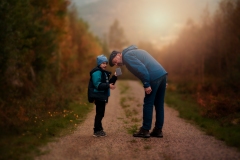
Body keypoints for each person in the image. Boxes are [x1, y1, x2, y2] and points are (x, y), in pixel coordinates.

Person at [109, 45, 167, 138]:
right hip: (161, 74)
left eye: (115, 61)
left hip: (154, 77)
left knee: (148, 103)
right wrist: (162, 80)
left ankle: (145, 130)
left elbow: (142, 69)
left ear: (119, 54)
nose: (116, 64)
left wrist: (146, 84)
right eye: (114, 64)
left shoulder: (127, 56)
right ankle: (158, 130)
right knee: (159, 104)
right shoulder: (134, 52)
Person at [88, 55, 117, 137]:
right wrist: (108, 85)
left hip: (102, 95)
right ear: (99, 64)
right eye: (103, 63)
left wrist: (115, 76)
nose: (105, 65)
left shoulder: (103, 73)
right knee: (99, 113)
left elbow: (108, 83)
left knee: (101, 113)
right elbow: (98, 85)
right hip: (98, 95)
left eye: (106, 63)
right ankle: (96, 130)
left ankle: (99, 129)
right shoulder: (97, 72)